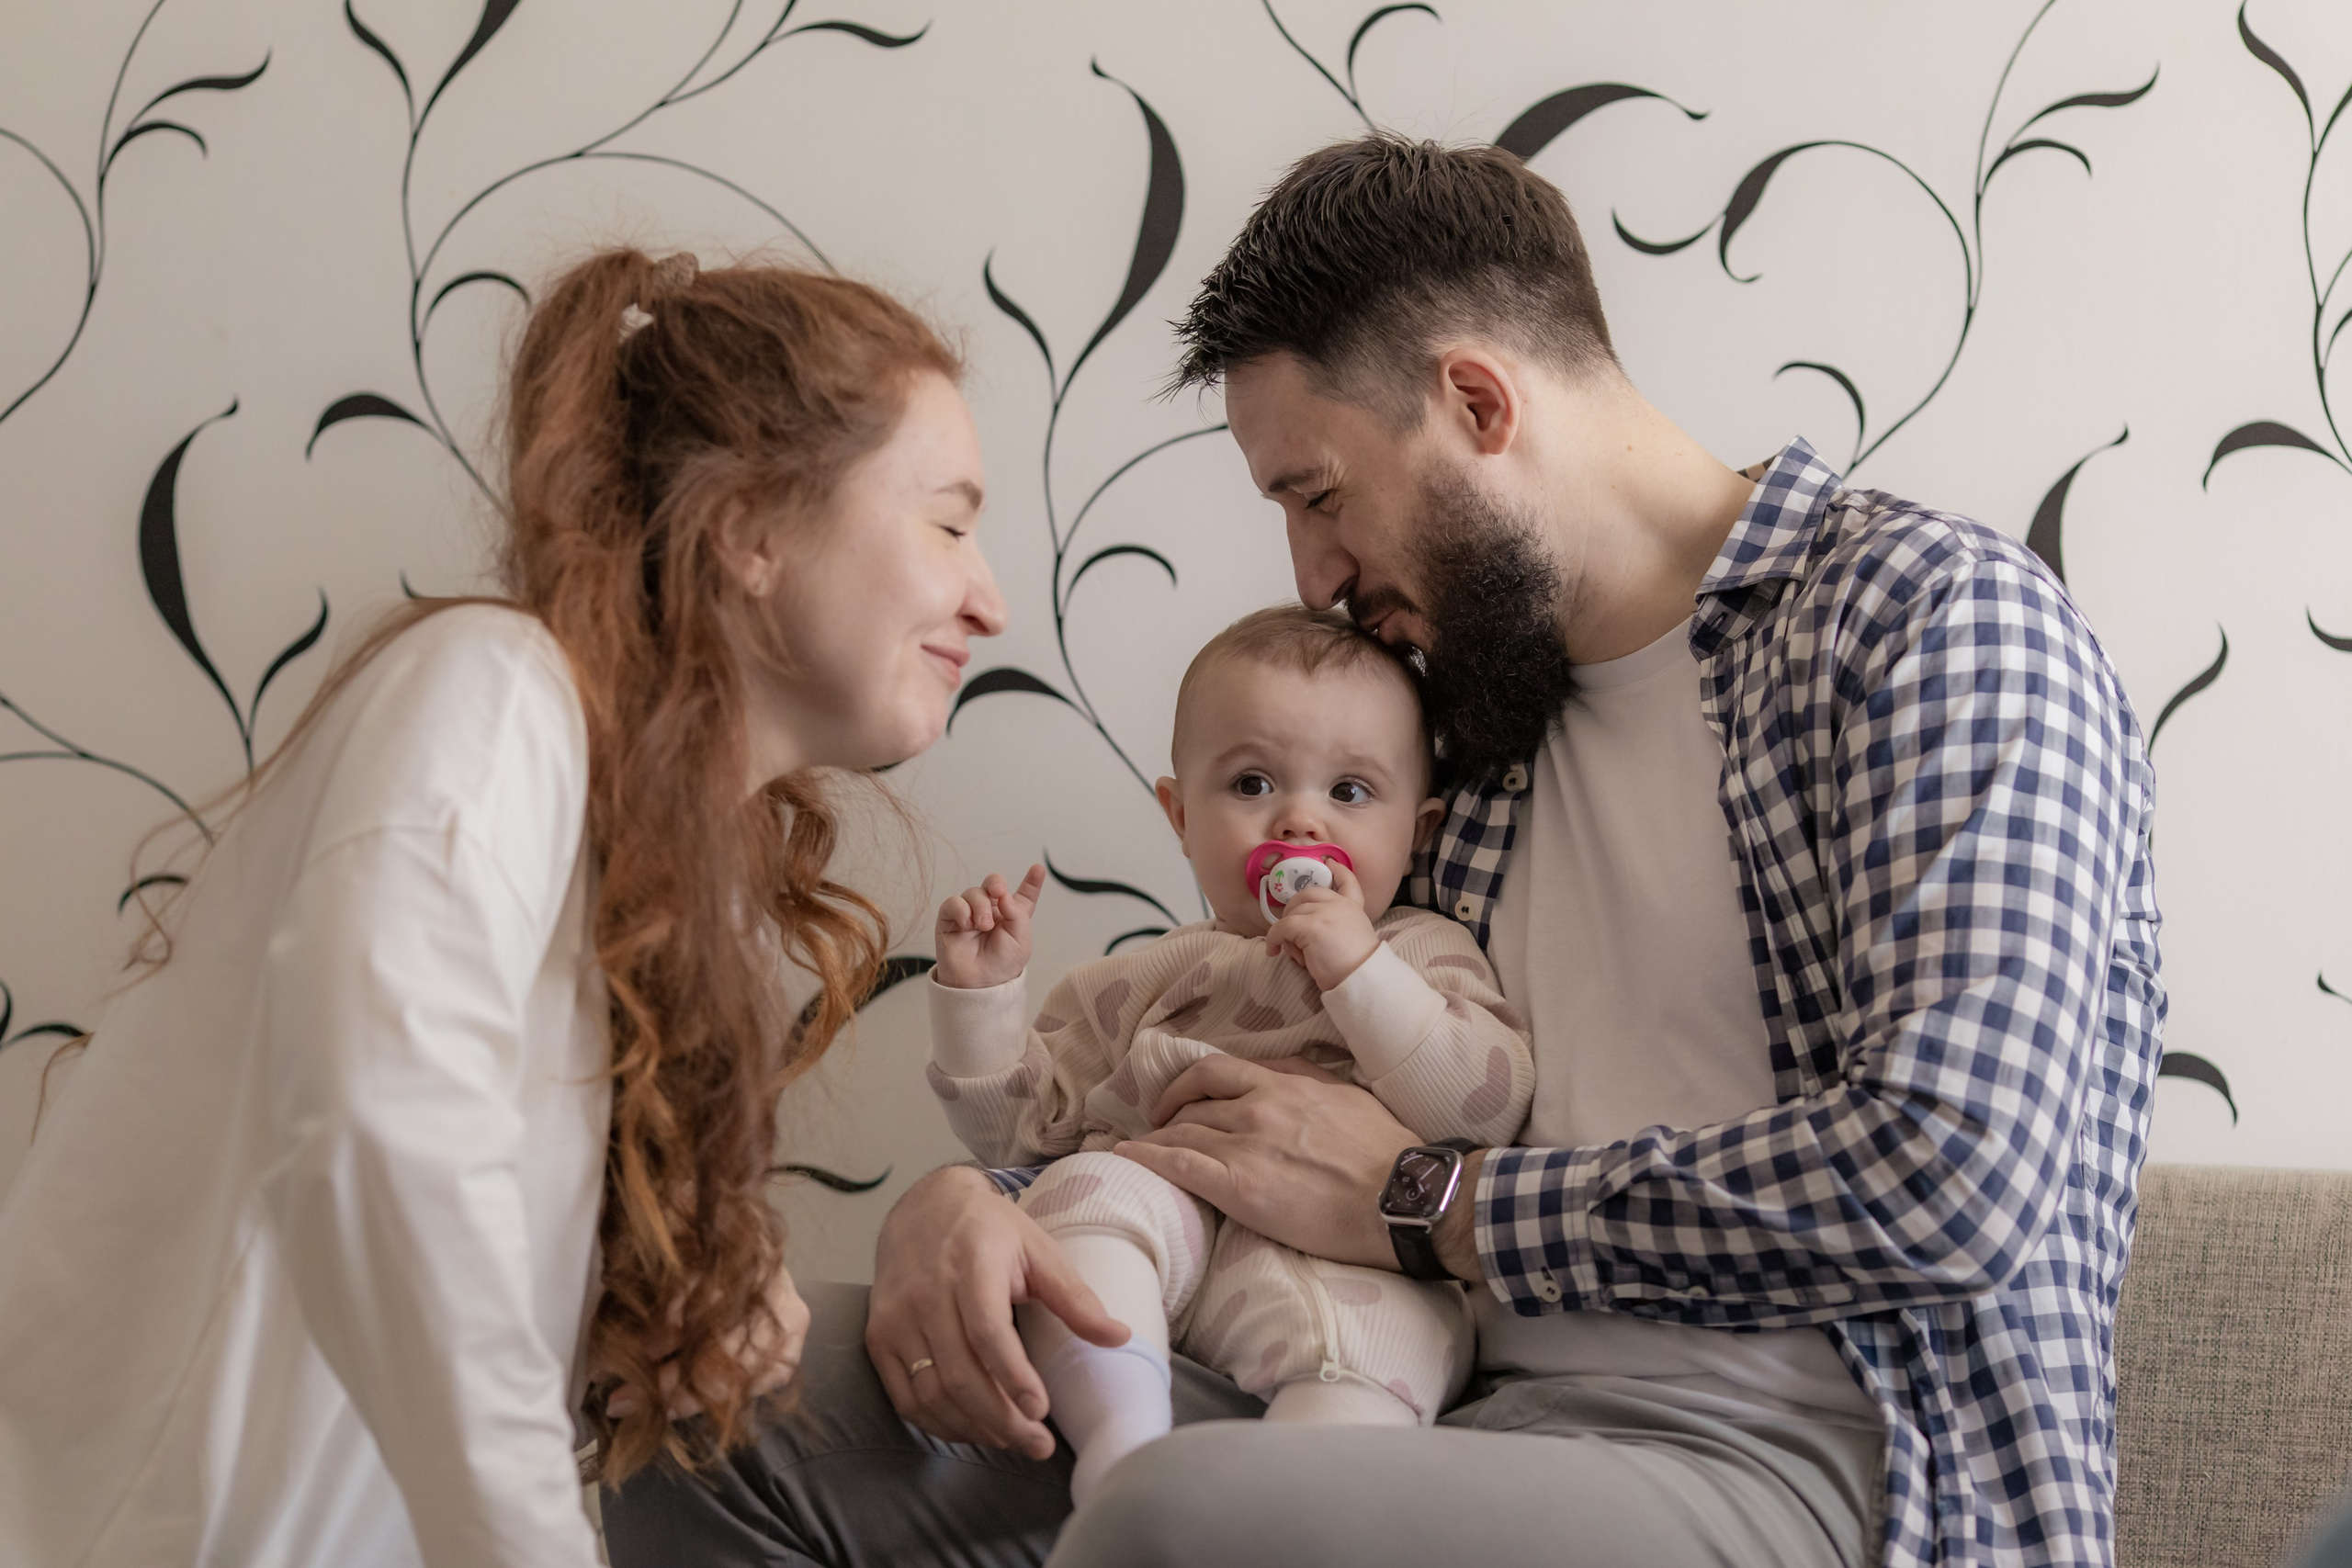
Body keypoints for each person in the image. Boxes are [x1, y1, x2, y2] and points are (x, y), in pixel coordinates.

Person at [604, 135, 2162, 1568]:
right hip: (1406, 1401)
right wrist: (990, 1192)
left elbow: (1952, 1177)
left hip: (1821, 1472)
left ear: (1480, 404)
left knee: (1186, 1516)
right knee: (686, 1413)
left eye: (1318, 493)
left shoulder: (1931, 628)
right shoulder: (1453, 724)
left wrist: (1440, 1199)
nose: (1314, 571)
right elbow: (1255, 1084)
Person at [0, 248, 1029, 1568]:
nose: (988, 596)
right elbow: (387, 1143)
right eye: (949, 520)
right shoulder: (492, 694)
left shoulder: (654, 862)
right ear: (754, 527)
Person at [926, 604, 1533, 1501]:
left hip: (1353, 1286)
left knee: (1381, 1364)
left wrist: (1356, 971)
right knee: (1073, 1201)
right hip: (1167, 1260)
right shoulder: (1143, 979)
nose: (1296, 820)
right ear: (1179, 814)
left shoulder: (1421, 954)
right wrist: (982, 999)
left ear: (1421, 828)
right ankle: (1120, 1445)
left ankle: (1279, 1518)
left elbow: (1479, 1110)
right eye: (1251, 784)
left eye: (1350, 793)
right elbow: (1025, 1133)